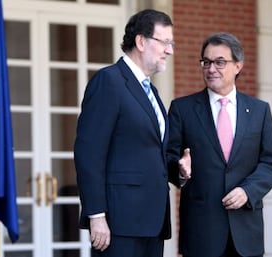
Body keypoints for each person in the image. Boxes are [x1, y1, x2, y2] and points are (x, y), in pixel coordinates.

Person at [74, 9, 190, 257]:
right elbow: (89, 153)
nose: (170, 50)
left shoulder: (152, 93)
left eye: (172, 43)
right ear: (140, 41)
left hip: (152, 223)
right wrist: (96, 215)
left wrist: (176, 169)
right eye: (165, 42)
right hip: (119, 224)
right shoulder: (109, 82)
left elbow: (148, 151)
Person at [167, 32, 272, 257]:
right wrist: (180, 171)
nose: (211, 69)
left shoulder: (259, 111)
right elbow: (168, 158)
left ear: (238, 66)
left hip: (246, 231)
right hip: (202, 232)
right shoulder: (182, 110)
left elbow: (271, 163)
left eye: (220, 62)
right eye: (206, 62)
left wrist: (248, 191)